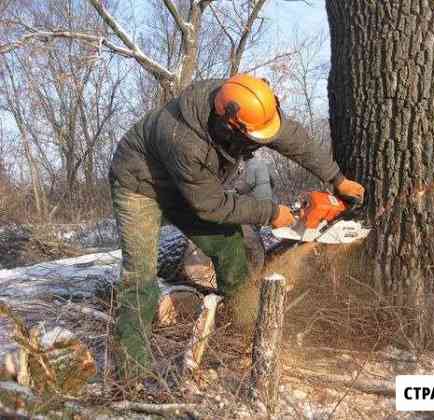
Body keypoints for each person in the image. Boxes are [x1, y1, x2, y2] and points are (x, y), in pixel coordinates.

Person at [108, 74, 365, 379]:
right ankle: (130, 375)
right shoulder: (184, 139)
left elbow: (295, 139)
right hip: (140, 185)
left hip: (190, 184)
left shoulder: (247, 106)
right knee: (140, 277)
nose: (257, 145)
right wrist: (270, 212)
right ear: (228, 125)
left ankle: (245, 327)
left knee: (229, 246)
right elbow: (211, 205)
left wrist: (337, 178)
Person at [236, 157, 275, 273]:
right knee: (254, 234)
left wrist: (237, 190)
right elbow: (272, 182)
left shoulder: (251, 165)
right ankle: (259, 263)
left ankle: (255, 272)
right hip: (266, 202)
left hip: (256, 203)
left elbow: (248, 184)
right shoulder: (263, 164)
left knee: (251, 239)